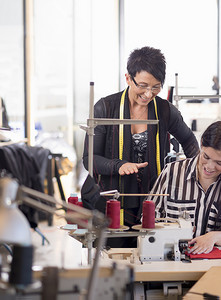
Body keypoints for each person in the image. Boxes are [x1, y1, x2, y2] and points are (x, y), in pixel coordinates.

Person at [81, 46, 199, 228]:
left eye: (156, 87)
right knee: (113, 252)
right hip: (110, 198)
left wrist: (195, 174)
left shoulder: (165, 110)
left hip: (152, 197)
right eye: (143, 86)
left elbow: (190, 142)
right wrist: (119, 165)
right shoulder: (105, 108)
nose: (148, 94)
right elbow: (90, 160)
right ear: (128, 78)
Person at [146, 121, 221, 254]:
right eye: (206, 156)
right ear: (201, 145)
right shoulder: (172, 172)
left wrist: (215, 236)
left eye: (219, 163)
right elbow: (149, 218)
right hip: (170, 259)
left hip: (217, 265)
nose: (209, 167)